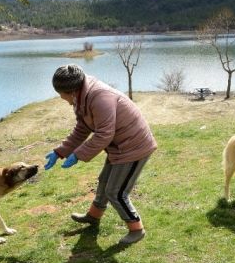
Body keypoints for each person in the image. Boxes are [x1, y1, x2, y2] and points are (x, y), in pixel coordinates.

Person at [44, 64, 157, 244]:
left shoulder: (100, 98)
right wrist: (60, 151)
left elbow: (104, 134)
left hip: (134, 146)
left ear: (72, 91)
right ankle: (93, 216)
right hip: (118, 146)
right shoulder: (81, 98)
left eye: (61, 94)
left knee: (116, 192)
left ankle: (136, 229)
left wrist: (78, 155)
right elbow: (82, 129)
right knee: (104, 182)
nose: (61, 98)